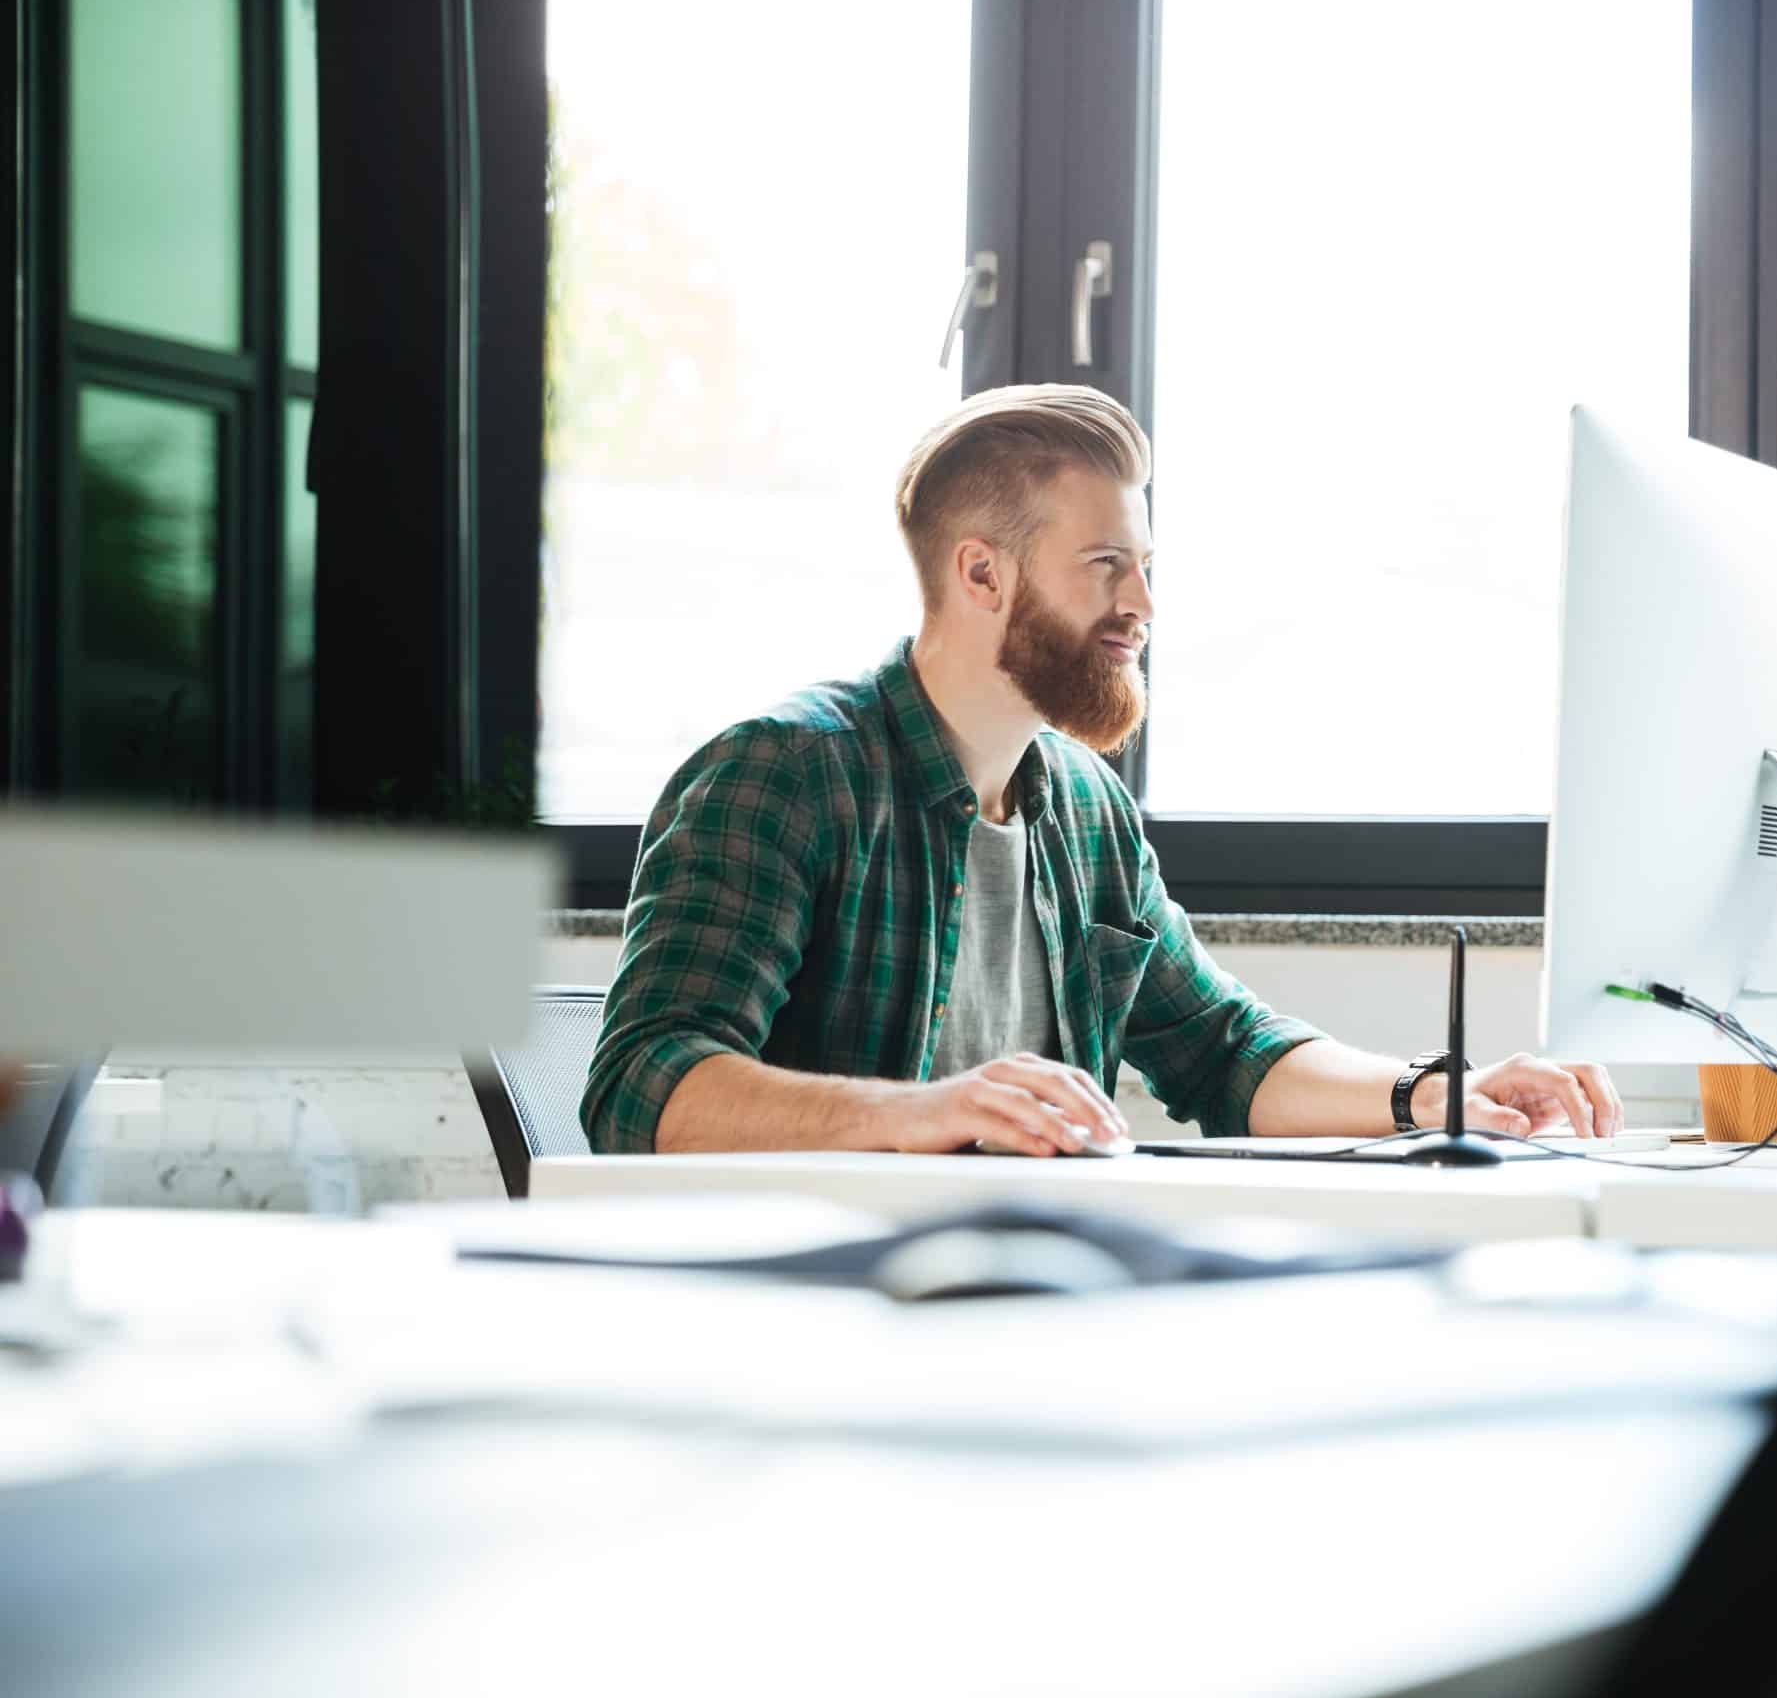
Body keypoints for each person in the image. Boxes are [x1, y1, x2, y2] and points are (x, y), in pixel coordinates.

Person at [582, 384, 1623, 1157]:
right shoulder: (782, 774)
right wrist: (923, 1114)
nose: (1143, 607)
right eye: (1105, 567)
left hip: (1027, 1300)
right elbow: (640, 1086)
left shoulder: (1082, 808)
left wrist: (1436, 1093)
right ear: (981, 571)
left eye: (1144, 568)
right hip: (814, 1314)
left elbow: (1221, 1050)